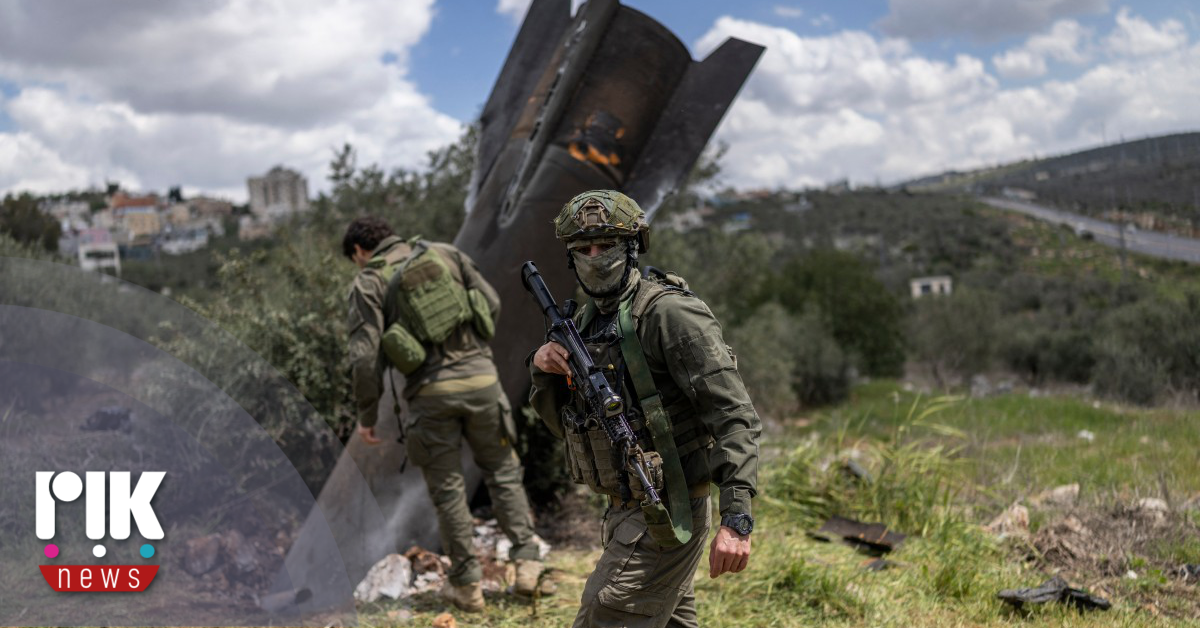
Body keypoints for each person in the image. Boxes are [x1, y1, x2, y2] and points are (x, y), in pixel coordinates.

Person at [528, 190, 761, 627]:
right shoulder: (584, 322)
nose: (595, 257)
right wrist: (543, 368)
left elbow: (735, 417)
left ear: (632, 247)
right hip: (623, 510)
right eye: (583, 248)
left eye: (607, 246)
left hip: (667, 510)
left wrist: (737, 518)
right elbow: (566, 427)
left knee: (604, 613)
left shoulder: (669, 315)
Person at [343, 216, 543, 612]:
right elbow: (491, 303)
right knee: (503, 470)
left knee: (449, 489)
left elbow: (365, 359)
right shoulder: (447, 254)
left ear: (360, 252)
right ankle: (527, 567)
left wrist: (366, 417)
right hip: (483, 383)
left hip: (430, 396)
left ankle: (467, 587)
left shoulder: (368, 282)